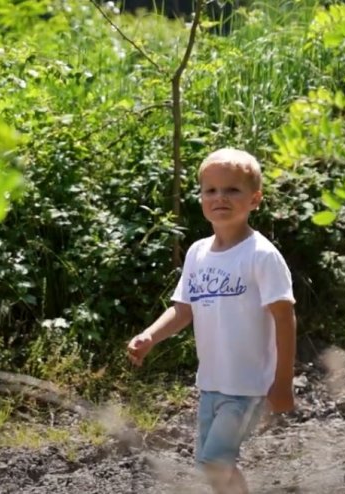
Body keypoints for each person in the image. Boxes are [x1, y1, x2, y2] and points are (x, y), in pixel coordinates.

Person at [127, 148, 297, 494]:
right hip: (211, 383)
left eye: (232, 190)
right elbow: (183, 309)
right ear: (201, 197)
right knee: (211, 464)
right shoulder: (197, 252)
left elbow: (284, 318)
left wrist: (282, 383)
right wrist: (149, 336)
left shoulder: (261, 255)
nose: (220, 197)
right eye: (211, 190)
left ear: (255, 199)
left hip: (249, 386)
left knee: (215, 462)